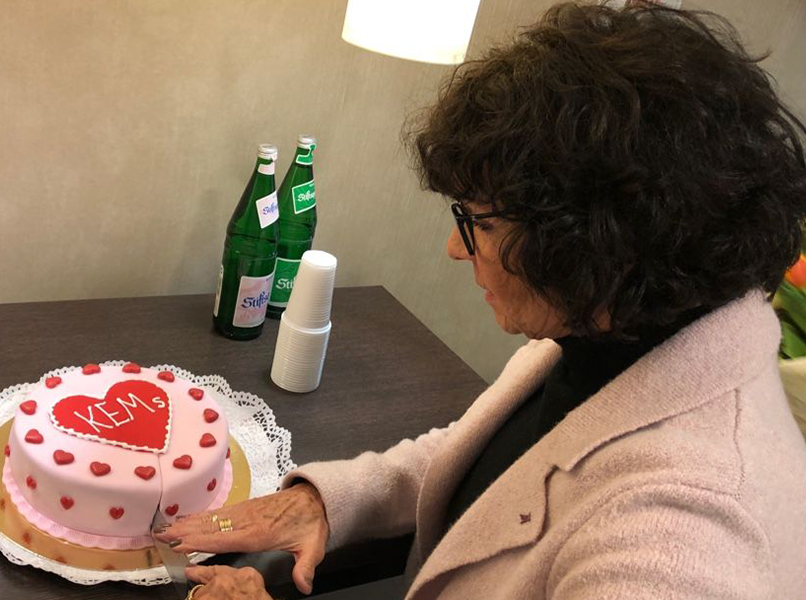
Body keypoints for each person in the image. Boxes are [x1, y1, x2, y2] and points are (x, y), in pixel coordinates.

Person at [157, 3, 806, 598]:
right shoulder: (617, 331)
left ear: (596, 244)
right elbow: (489, 462)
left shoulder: (681, 545)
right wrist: (326, 501)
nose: (453, 248)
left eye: (478, 223)